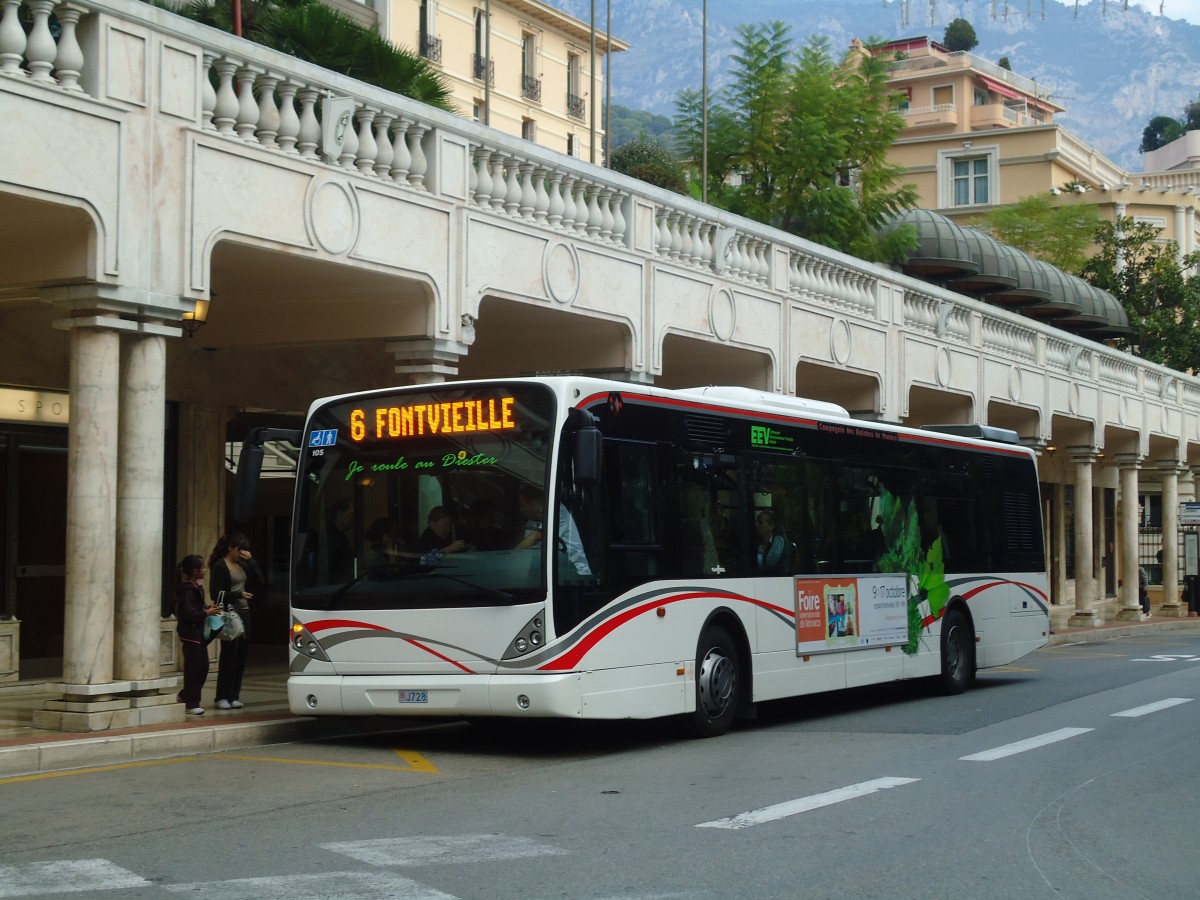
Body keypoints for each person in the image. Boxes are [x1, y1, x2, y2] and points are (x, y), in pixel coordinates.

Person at [208, 532, 264, 711]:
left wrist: (252, 561)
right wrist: (238, 594)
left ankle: (234, 695)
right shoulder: (220, 566)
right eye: (240, 549)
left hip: (245, 613)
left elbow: (261, 580)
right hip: (230, 614)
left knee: (241, 657)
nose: (242, 553)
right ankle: (222, 696)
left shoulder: (243, 565)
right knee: (229, 656)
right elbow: (215, 593)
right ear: (231, 547)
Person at [174, 554, 219, 716]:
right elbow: (189, 614)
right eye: (203, 568)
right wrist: (206, 612)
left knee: (203, 667)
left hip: (198, 633)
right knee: (194, 668)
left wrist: (208, 608)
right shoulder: (186, 590)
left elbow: (198, 606)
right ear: (195, 571)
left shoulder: (196, 587)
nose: (205, 570)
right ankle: (191, 703)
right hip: (190, 634)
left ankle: (186, 695)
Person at [755, 509, 787, 574]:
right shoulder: (754, 544)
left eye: (761, 523)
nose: (757, 526)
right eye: (757, 523)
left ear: (771, 526)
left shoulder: (781, 545)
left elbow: (782, 569)